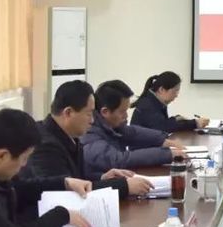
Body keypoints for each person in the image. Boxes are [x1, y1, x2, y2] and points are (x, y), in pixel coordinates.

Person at [21, 80, 154, 197]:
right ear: (68, 113)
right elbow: (65, 191)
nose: (92, 120)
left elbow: (78, 180)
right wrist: (124, 186)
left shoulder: (69, 135)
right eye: (89, 114)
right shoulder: (45, 144)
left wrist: (103, 178)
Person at [82, 79, 183, 180]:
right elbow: (118, 160)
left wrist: (163, 140)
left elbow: (133, 132)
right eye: (122, 112)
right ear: (105, 112)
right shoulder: (89, 133)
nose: (126, 116)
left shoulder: (111, 125)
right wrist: (167, 154)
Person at [130, 71, 209, 134]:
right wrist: (195, 123)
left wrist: (176, 119)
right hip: (143, 148)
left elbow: (162, 123)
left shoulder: (154, 101)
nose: (177, 95)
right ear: (161, 90)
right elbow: (164, 128)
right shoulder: (148, 105)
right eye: (175, 91)